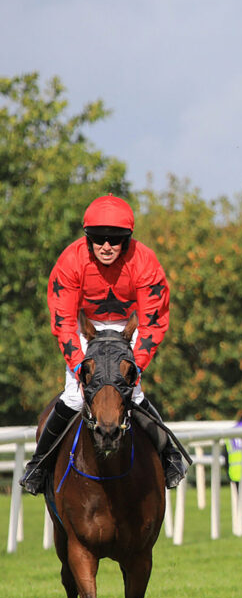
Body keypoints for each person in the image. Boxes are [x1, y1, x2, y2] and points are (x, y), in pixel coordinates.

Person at [21, 194, 190, 494]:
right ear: (88, 238)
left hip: (128, 327)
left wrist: (135, 365)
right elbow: (63, 321)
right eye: (99, 239)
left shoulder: (145, 261)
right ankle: (39, 463)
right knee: (75, 395)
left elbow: (153, 320)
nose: (107, 246)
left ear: (127, 239)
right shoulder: (70, 261)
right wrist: (79, 366)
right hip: (86, 330)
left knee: (133, 393)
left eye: (116, 239)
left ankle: (170, 456)